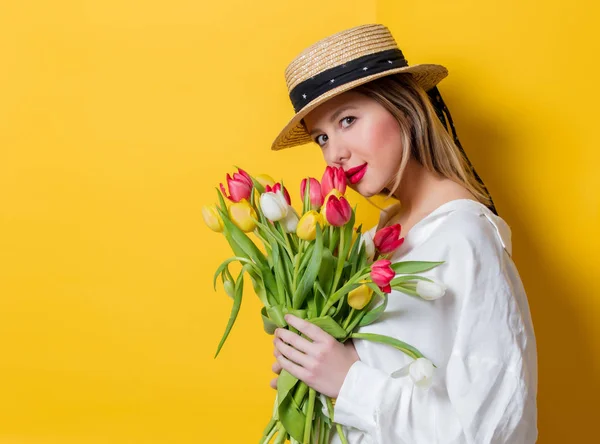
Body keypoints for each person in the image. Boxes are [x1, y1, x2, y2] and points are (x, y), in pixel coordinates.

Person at [269, 24, 538, 443]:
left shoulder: (464, 237)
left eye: (348, 120)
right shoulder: (373, 237)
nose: (333, 154)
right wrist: (310, 375)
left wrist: (348, 381)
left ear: (405, 108)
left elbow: (497, 429)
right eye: (322, 136)